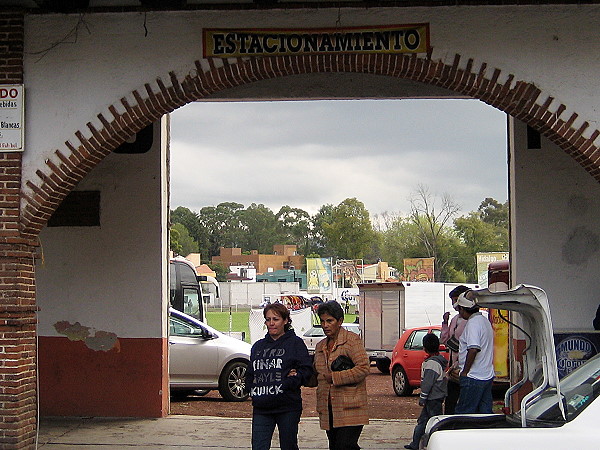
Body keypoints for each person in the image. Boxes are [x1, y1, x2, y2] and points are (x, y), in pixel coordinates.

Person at [246, 303, 314, 450]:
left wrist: (291, 381)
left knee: (288, 446)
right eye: (268, 319)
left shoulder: (295, 344)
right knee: (258, 446)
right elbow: (250, 373)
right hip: (262, 407)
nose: (271, 323)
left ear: (285, 320)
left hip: (287, 407)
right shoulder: (258, 347)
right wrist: (250, 389)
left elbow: (307, 370)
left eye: (275, 319)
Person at [314, 301, 369, 450]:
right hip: (328, 408)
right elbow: (317, 375)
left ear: (340, 321)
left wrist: (335, 377)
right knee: (335, 446)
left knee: (345, 445)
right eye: (323, 321)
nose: (325, 325)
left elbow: (363, 368)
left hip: (351, 406)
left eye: (330, 321)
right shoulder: (320, 346)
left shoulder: (352, 341)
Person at [404, 333, 448, 450]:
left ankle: (424, 443)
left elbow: (427, 384)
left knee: (433, 422)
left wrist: (422, 398)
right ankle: (416, 443)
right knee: (426, 421)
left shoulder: (431, 364)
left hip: (432, 398)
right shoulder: (440, 361)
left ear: (425, 348)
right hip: (436, 397)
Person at [454, 291, 495, 414]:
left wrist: (465, 372)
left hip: (473, 377)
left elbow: (473, 348)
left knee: (464, 414)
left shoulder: (473, 324)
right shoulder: (484, 321)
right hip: (486, 375)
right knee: (484, 414)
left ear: (462, 309)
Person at [440, 285, 470, 414]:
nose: (454, 304)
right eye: (452, 301)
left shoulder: (471, 322)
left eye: (456, 300)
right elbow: (444, 339)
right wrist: (445, 323)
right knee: (450, 401)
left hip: (463, 367)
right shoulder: (454, 320)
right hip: (452, 367)